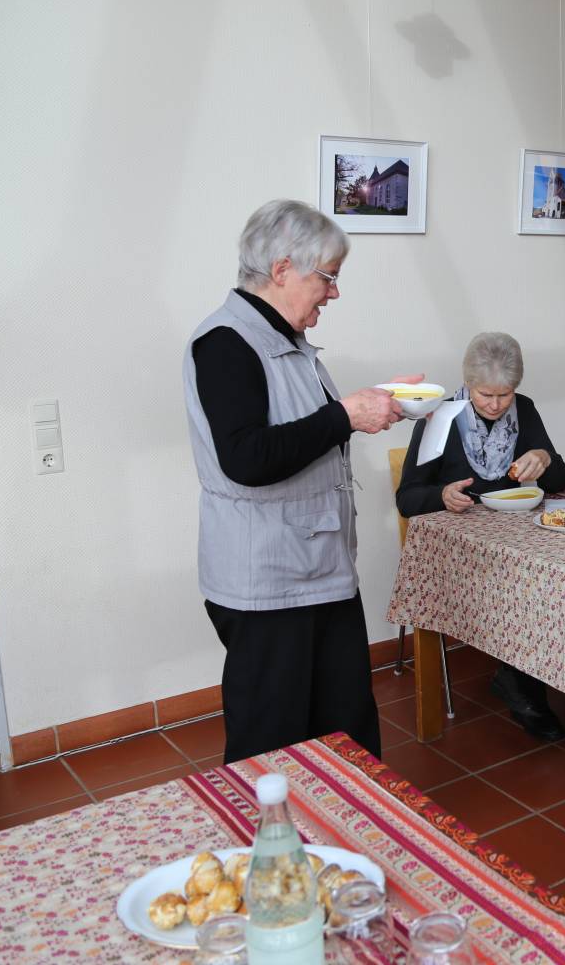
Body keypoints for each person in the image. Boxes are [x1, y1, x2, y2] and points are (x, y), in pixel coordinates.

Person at [185, 199, 418, 763]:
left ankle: (346, 841)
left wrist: (370, 407)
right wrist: (344, 415)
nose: (334, 293)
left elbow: (304, 430)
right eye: (328, 277)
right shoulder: (226, 343)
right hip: (267, 582)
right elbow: (246, 457)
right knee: (272, 744)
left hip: (316, 568)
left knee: (345, 731)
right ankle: (270, 849)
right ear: (283, 270)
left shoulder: (281, 340)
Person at [397, 331, 565, 740]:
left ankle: (521, 675)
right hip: (461, 551)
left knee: (551, 576)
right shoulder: (440, 417)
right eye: (485, 394)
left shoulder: (524, 411)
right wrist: (441, 494)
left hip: (519, 543)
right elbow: (407, 497)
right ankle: (523, 686)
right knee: (529, 583)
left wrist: (544, 458)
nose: (496, 405)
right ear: (468, 384)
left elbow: (560, 480)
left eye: (504, 395)